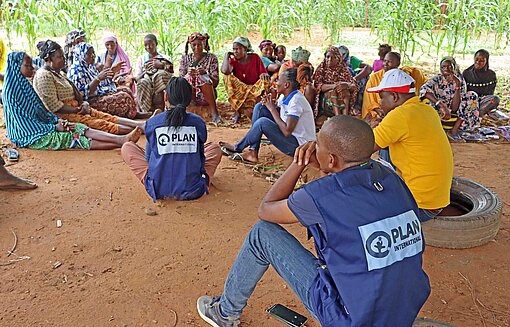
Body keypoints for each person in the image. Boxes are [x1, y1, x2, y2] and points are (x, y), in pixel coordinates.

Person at [197, 115, 431, 327]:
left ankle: (225, 314)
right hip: (403, 307)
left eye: (317, 143)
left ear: (331, 159)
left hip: (351, 317)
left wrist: (298, 163)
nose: (312, 146)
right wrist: (328, 167)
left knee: (262, 234)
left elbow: (265, 210)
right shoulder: (390, 176)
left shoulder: (321, 195)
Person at [4, 52, 142, 151]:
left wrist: (55, 121)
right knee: (69, 138)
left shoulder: (24, 85)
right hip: (30, 134)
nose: (32, 68)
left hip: (45, 124)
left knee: (77, 127)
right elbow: (24, 122)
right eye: (28, 66)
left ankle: (122, 139)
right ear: (16, 67)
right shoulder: (12, 91)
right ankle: (120, 141)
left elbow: (41, 111)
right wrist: (52, 127)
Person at [368, 69, 453, 220]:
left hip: (418, 206)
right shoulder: (428, 110)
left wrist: (366, 127)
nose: (380, 104)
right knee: (385, 151)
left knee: (362, 193)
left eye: (382, 98)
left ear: (394, 96)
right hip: (437, 201)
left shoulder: (399, 115)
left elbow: (362, 149)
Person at [121, 77, 222, 201]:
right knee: (215, 148)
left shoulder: (152, 123)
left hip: (158, 189)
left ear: (166, 98)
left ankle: (154, 181)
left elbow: (148, 158)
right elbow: (201, 156)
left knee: (127, 147)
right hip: (193, 190)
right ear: (189, 98)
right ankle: (202, 181)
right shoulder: (198, 123)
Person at [33, 41, 144, 135]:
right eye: (59, 57)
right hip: (64, 114)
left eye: (63, 56)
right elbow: (54, 107)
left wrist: (82, 104)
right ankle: (137, 131)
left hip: (78, 107)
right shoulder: (44, 75)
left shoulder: (59, 73)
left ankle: (141, 125)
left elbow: (76, 92)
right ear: (49, 59)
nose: (64, 59)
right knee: (98, 123)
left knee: (105, 117)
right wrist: (77, 109)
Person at [219, 68, 316, 164]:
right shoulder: (284, 96)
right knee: (260, 107)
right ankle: (253, 151)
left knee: (262, 123)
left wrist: (272, 109)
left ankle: (238, 147)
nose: (275, 82)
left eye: (278, 80)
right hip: (291, 137)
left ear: (286, 85)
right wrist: (270, 103)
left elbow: (287, 131)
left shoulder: (296, 101)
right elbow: (281, 114)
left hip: (299, 146)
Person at [67, 41, 138, 119]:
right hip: (90, 102)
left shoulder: (89, 67)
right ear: (81, 55)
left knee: (125, 89)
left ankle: (134, 113)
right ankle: (130, 116)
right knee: (123, 97)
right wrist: (97, 79)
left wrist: (112, 71)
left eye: (93, 53)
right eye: (89, 54)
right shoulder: (75, 70)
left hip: (99, 94)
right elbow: (81, 95)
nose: (93, 56)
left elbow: (103, 84)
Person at [420, 56, 480, 140]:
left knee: (472, 95)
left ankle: (454, 130)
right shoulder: (437, 79)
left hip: (457, 111)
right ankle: (436, 129)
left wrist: (457, 85)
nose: (446, 69)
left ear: (454, 67)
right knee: (427, 101)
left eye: (449, 66)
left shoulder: (459, 80)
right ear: (440, 68)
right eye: (443, 66)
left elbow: (455, 107)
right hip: (440, 110)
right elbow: (423, 90)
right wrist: (442, 105)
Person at [362, 51, 427, 122]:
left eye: (389, 61)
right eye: (385, 61)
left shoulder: (406, 76)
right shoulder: (375, 77)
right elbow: (369, 101)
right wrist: (378, 109)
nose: (385, 64)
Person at [221, 36, 269, 123]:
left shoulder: (255, 57)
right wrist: (226, 55)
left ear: (245, 49)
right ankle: (237, 111)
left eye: (238, 49)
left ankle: (258, 108)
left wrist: (263, 74)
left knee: (265, 80)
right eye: (234, 49)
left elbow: (263, 73)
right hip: (240, 90)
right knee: (227, 77)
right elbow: (225, 71)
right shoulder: (234, 61)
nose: (235, 51)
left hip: (254, 89)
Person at [179, 32, 222, 124]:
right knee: (189, 76)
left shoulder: (211, 58)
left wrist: (206, 74)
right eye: (194, 45)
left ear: (204, 44)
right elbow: (180, 81)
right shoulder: (185, 59)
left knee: (202, 77)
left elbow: (215, 83)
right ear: (190, 45)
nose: (197, 47)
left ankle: (214, 112)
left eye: (199, 44)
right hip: (189, 95)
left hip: (206, 96)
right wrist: (188, 74)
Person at [312, 46, 358, 119]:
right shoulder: (322, 68)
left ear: (338, 59)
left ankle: (345, 117)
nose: (329, 60)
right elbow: (318, 85)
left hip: (342, 97)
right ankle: (338, 118)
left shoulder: (343, 69)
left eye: (333, 57)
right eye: (328, 57)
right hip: (326, 101)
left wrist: (346, 85)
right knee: (333, 92)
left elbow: (354, 86)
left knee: (345, 91)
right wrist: (335, 86)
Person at [135, 34, 174, 113]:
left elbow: (171, 72)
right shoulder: (142, 59)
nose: (148, 47)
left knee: (160, 74)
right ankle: (146, 111)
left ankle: (164, 107)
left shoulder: (165, 58)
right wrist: (146, 71)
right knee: (142, 82)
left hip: (159, 84)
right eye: (146, 45)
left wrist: (161, 65)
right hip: (147, 82)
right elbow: (137, 78)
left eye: (151, 44)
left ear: (156, 43)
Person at [462, 49, 500, 117]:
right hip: (469, 101)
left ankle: (477, 114)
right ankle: (475, 113)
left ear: (486, 61)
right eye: (476, 59)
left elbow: (490, 94)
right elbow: (463, 92)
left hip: (482, 101)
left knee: (495, 99)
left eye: (482, 61)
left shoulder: (491, 74)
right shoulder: (466, 73)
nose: (478, 62)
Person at [337, 45, 372, 113]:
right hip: (340, 84)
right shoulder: (331, 61)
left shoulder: (351, 60)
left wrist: (354, 79)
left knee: (363, 77)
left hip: (352, 83)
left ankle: (357, 105)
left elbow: (369, 68)